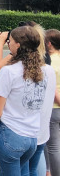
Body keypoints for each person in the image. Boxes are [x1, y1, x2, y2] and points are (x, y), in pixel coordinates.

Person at [0, 26, 56, 176]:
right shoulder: (46, 70)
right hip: (32, 137)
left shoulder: (9, 71)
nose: (8, 44)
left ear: (18, 45)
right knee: (23, 171)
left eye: (10, 41)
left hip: (11, 134)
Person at [44, 29, 60, 176]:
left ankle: (50, 172)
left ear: (49, 44)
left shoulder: (50, 64)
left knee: (52, 146)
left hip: (54, 108)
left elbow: (53, 89)